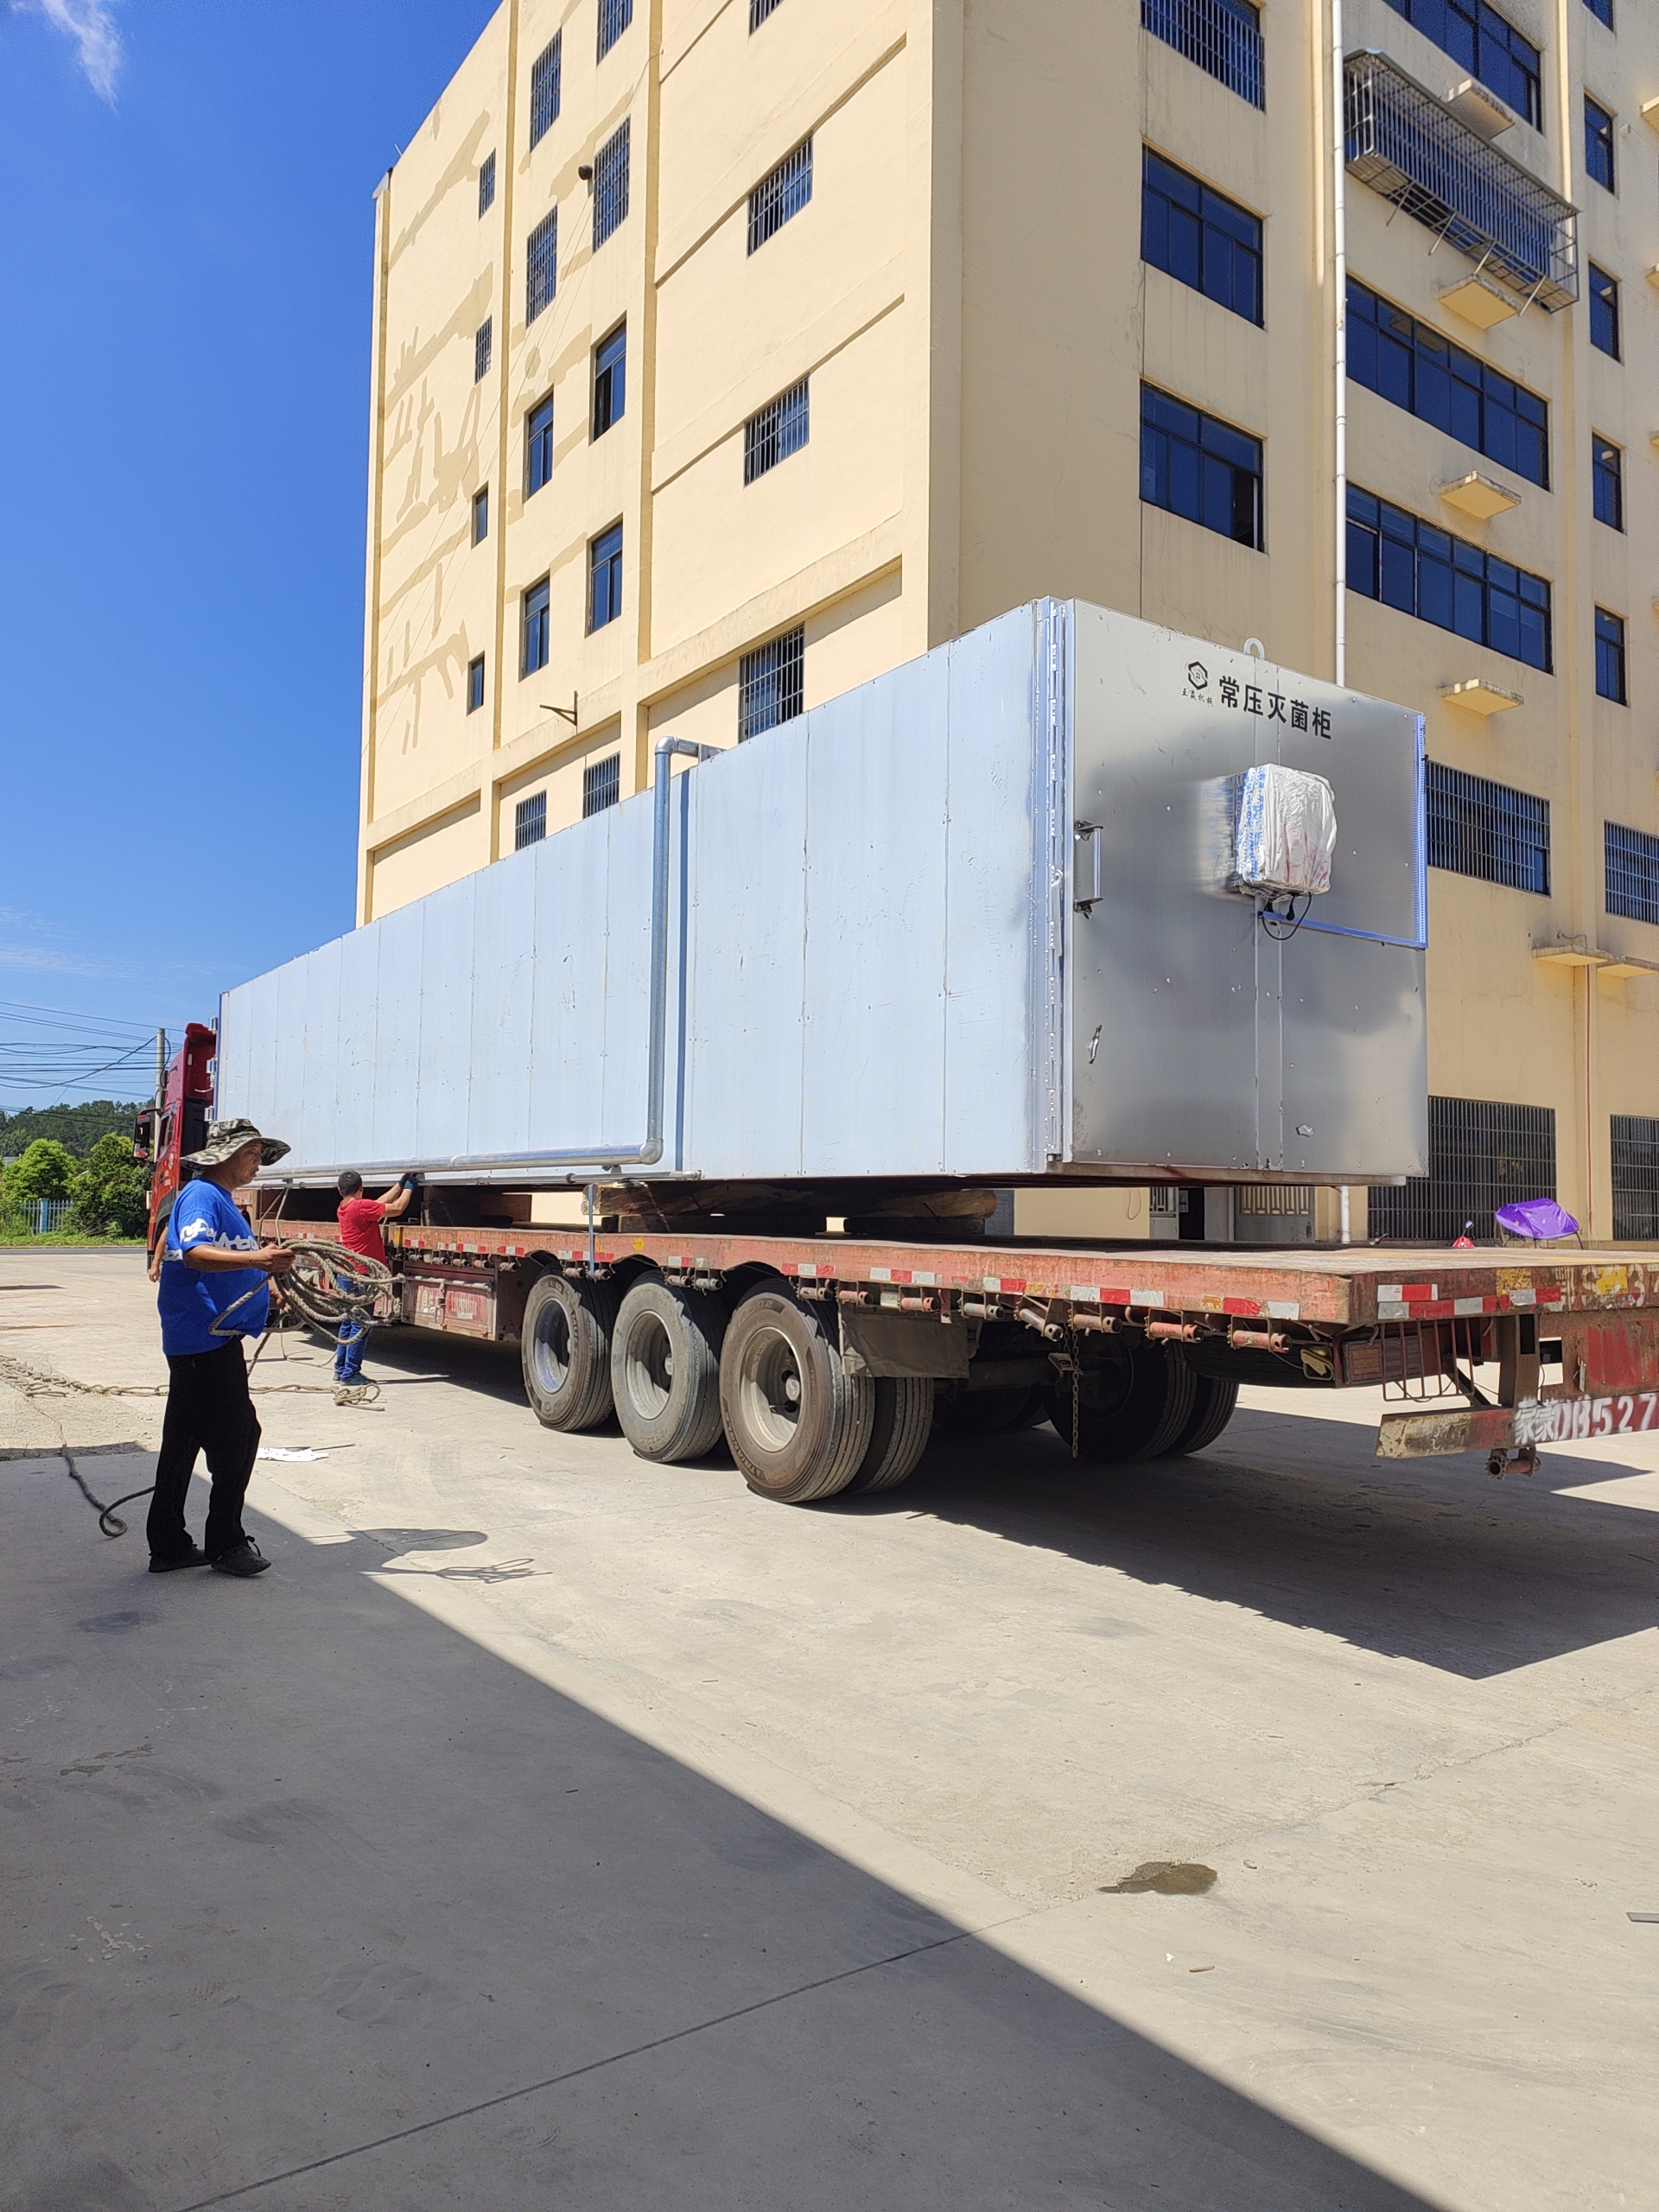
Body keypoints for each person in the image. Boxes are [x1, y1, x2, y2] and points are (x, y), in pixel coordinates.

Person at [148, 1118, 296, 1579]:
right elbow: (196, 1254)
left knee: (183, 1440)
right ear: (224, 1156)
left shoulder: (221, 1200)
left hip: (206, 1337)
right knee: (238, 1437)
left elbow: (219, 1256)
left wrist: (264, 1279)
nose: (258, 1163)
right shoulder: (203, 1195)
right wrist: (259, 1259)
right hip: (203, 1339)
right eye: (252, 1154)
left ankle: (169, 1543)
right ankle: (226, 1544)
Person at [332, 1168, 415, 1383]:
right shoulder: (360, 1207)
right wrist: (409, 1188)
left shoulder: (344, 1207)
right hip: (362, 1276)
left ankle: (340, 1370)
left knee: (349, 1323)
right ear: (361, 1188)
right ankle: (351, 1374)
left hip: (347, 1274)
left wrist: (399, 1185)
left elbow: (377, 1204)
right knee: (361, 1325)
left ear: (340, 1190)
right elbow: (397, 1208)